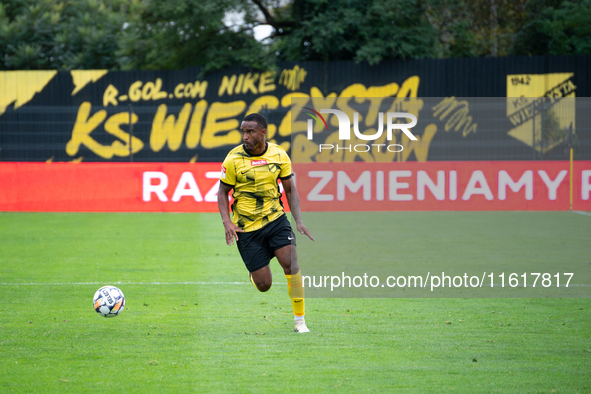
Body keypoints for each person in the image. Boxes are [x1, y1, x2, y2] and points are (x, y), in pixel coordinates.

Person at [217, 112, 315, 333]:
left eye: (250, 131)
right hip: (246, 227)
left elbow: (290, 190)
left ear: (263, 132)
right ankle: (255, 272)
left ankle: (300, 322)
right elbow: (222, 193)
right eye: (243, 131)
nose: (245, 136)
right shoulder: (233, 159)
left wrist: (298, 220)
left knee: (291, 264)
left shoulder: (279, 155)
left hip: (275, 219)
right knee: (264, 285)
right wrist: (227, 222)